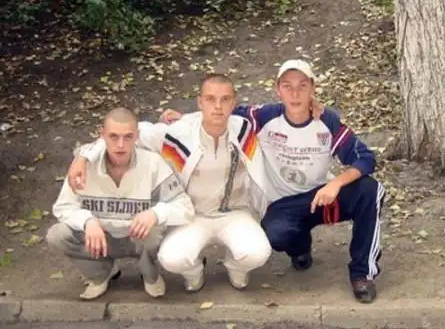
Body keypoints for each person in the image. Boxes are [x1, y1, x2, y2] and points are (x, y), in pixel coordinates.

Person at [159, 60, 385, 303]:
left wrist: (336, 183)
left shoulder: (326, 120)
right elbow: (221, 111)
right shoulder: (264, 117)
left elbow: (365, 158)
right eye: (287, 86)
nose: (295, 93)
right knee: (275, 234)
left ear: (312, 89)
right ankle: (299, 247)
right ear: (278, 90)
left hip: (321, 196)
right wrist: (184, 118)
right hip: (281, 204)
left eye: (302, 86)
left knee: (369, 190)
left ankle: (362, 273)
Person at [67, 74, 272, 293]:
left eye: (225, 99)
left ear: (234, 103)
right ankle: (194, 273)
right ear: (200, 102)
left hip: (234, 213)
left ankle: (235, 267)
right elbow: (131, 131)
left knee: (257, 253)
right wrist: (84, 156)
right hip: (192, 215)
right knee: (172, 258)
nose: (218, 106)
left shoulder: (243, 130)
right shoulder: (179, 133)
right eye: (210, 99)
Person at [46, 107, 194, 300]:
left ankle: (149, 273)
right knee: (57, 235)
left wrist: (155, 214)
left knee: (155, 228)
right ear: (102, 135)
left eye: (128, 137)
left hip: (138, 238)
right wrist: (87, 221)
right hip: (101, 238)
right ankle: (101, 273)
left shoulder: (152, 163)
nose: (120, 145)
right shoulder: (83, 167)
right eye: (113, 137)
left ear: (137, 136)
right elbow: (63, 207)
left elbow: (184, 207)